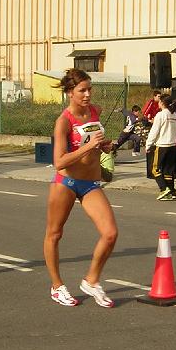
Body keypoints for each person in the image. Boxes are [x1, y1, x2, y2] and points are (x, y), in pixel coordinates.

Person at [44, 68, 117, 308]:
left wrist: (103, 146)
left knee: (110, 233)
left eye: (89, 89)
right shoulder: (63, 121)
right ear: (69, 93)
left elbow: (92, 144)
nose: (87, 94)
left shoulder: (95, 111)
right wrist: (88, 148)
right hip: (66, 183)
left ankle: (91, 280)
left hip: (90, 183)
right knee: (55, 234)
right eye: (81, 90)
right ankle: (56, 286)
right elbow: (59, 161)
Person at [146, 94, 176, 201]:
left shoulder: (160, 115)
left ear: (162, 103)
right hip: (172, 145)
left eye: (159, 102)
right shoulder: (174, 115)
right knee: (168, 170)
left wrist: (148, 144)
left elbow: (154, 131)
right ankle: (171, 191)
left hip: (162, 146)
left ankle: (163, 189)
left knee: (155, 169)